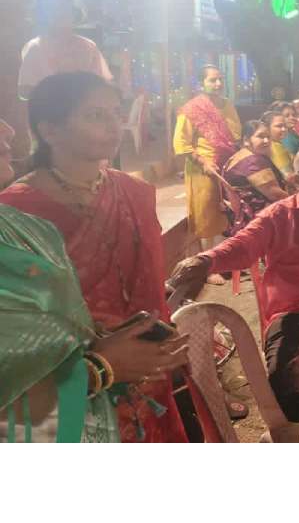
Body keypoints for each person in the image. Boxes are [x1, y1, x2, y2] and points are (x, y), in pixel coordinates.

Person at [0, 73, 192, 441]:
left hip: (148, 367)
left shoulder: (135, 192)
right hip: (65, 389)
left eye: (116, 113)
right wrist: (99, 362)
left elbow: (151, 285)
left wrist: (163, 342)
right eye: (94, 115)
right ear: (50, 130)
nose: (113, 125)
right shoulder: (17, 212)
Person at [168, 146, 299, 423]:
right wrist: (205, 260)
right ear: (297, 179)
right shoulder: (279, 215)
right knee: (285, 382)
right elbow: (244, 246)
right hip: (293, 313)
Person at [174, 65, 241, 244]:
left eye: (220, 79)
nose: (218, 84)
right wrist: (204, 162)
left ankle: (226, 256)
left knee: (229, 215)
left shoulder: (227, 105)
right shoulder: (192, 109)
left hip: (227, 165)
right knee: (208, 218)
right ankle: (208, 259)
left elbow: (235, 136)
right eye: (212, 80)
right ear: (201, 83)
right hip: (204, 169)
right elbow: (181, 143)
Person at [17, 0, 113, 101]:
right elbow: (24, 91)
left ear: (74, 12)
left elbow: (102, 84)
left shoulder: (88, 46)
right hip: (50, 111)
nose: (60, 14)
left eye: (65, 9)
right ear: (42, 16)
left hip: (84, 110)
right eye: (53, 10)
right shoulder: (35, 48)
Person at [221, 119, 289, 235]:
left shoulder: (239, 156)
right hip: (260, 221)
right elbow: (276, 195)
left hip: (244, 220)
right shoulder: (252, 161)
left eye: (268, 137)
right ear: (246, 140)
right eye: (260, 136)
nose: (266, 141)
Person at [264, 110, 294, 176]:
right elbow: (288, 176)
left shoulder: (277, 144)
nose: (284, 129)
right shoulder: (273, 147)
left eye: (285, 126)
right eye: (279, 126)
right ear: (266, 128)